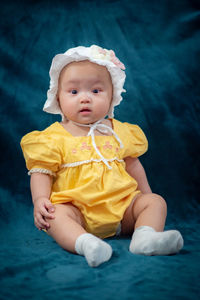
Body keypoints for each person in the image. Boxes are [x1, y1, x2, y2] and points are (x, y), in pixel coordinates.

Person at [20, 45, 183, 267]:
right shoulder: (52, 138)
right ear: (58, 97)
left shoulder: (119, 131)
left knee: (156, 201)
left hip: (122, 209)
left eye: (96, 91)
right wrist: (40, 200)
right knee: (55, 216)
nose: (85, 98)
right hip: (78, 213)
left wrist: (145, 198)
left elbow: (133, 166)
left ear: (112, 96)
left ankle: (145, 238)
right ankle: (85, 243)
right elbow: (41, 173)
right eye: (74, 92)